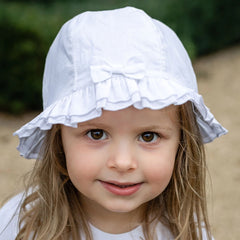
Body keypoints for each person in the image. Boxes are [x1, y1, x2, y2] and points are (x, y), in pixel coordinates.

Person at [0, 6, 227, 240]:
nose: (122, 162)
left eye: (148, 136)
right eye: (96, 134)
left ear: (181, 143)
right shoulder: (20, 226)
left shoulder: (184, 232)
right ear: (59, 138)